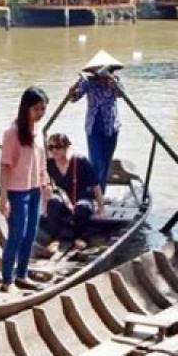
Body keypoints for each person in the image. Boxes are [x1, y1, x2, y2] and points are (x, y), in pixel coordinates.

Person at [0, 87, 51, 293]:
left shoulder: (37, 131)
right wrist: (4, 198)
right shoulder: (12, 133)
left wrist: (45, 184)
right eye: (37, 109)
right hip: (16, 192)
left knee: (30, 234)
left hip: (34, 189)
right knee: (16, 235)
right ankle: (6, 281)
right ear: (26, 108)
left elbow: (42, 160)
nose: (40, 113)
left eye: (43, 109)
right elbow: (4, 166)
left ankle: (22, 274)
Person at [68, 50, 124, 187]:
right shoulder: (88, 82)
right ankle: (93, 191)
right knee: (97, 162)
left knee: (105, 162)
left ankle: (100, 192)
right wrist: (72, 91)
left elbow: (121, 94)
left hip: (111, 128)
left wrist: (112, 83)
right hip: (93, 128)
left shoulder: (114, 82)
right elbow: (73, 99)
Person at [44, 133, 104, 253]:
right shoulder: (49, 164)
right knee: (52, 202)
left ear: (66, 147)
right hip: (64, 199)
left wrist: (101, 208)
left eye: (58, 147)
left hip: (82, 197)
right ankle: (56, 237)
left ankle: (80, 237)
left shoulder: (80, 161)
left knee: (82, 207)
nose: (54, 150)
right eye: (51, 147)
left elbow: (96, 185)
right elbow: (41, 183)